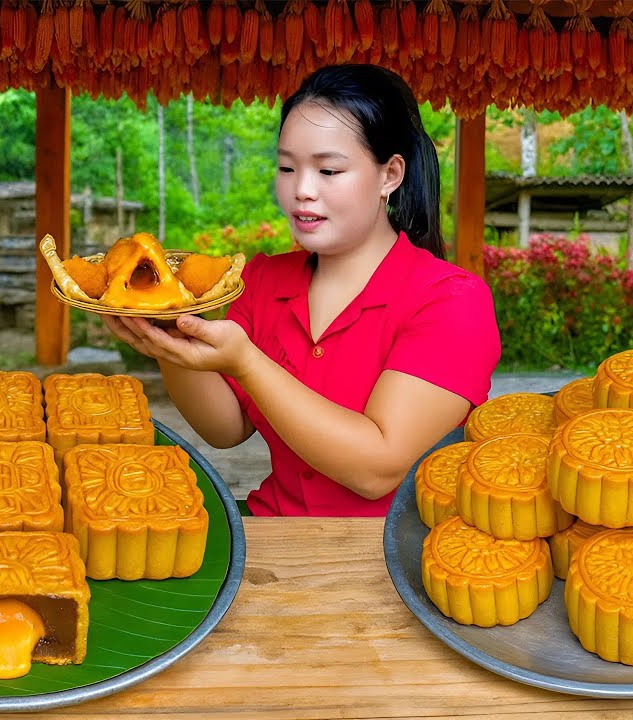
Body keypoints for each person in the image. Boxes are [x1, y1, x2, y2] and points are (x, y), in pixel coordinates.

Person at [102, 64, 501, 517]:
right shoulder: (264, 280)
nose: (301, 190)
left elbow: (378, 468)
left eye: (328, 170)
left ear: (390, 175)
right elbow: (225, 428)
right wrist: (168, 337)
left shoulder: (453, 302)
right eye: (287, 167)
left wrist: (248, 362)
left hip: (400, 562)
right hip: (275, 540)